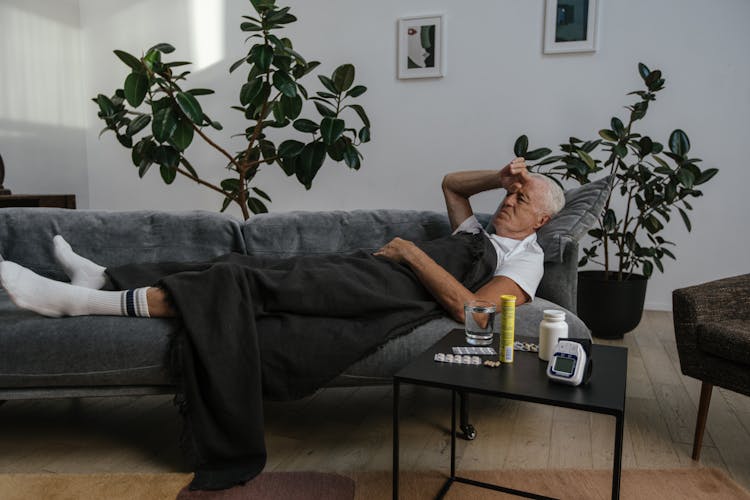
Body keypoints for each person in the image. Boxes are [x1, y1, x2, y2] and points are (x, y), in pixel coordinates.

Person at [0, 157, 564, 322]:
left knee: (235, 282)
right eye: (513, 192)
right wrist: (501, 174)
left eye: (523, 197)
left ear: (540, 220)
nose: (511, 198)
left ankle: (77, 302)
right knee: (231, 260)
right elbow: (449, 183)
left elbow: (478, 315)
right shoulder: (478, 229)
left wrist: (412, 252)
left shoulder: (525, 261)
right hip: (372, 266)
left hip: (390, 285)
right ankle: (100, 276)